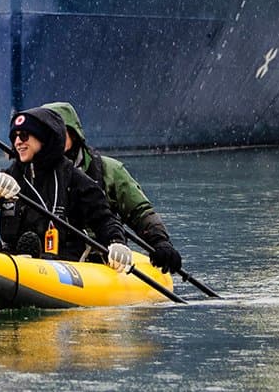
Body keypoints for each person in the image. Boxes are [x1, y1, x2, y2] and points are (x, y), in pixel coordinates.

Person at [0, 107, 133, 272]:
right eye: (14, 137)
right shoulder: (9, 175)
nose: (18, 142)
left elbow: (104, 218)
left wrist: (116, 242)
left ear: (44, 138)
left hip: (63, 262)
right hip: (13, 257)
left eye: (24, 136)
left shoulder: (72, 177)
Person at [40, 101, 184, 274]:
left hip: (94, 257)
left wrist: (160, 242)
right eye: (45, 134)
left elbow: (140, 211)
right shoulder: (30, 172)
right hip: (46, 255)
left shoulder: (109, 170)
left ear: (74, 134)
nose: (52, 139)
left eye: (58, 133)